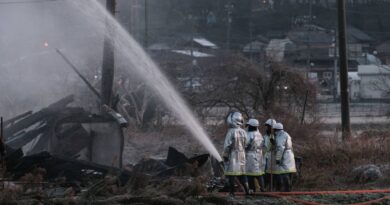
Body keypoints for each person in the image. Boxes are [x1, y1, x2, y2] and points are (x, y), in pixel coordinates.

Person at [222, 112, 250, 196]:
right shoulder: (243, 131)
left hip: (233, 154)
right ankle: (247, 191)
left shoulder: (231, 131)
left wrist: (225, 155)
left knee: (232, 173)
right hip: (242, 154)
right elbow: (247, 144)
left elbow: (227, 145)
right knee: (242, 173)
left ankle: (232, 193)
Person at [272, 122, 296, 192]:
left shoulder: (281, 136)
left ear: (276, 129)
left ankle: (287, 190)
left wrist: (278, 158)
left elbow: (280, 148)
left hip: (284, 155)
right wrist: (274, 143)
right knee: (288, 173)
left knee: (284, 173)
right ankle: (288, 189)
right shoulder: (286, 134)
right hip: (289, 154)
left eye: (274, 130)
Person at [245, 118, 265, 193]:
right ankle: (263, 189)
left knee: (250, 174)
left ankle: (252, 190)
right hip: (259, 155)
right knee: (259, 173)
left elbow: (245, 145)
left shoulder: (249, 135)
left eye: (248, 125)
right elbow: (263, 144)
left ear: (251, 126)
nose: (247, 127)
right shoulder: (259, 134)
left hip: (251, 156)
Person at [262, 118, 276, 191]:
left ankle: (273, 188)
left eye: (269, 126)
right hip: (265, 157)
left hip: (273, 157)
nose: (267, 128)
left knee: (273, 174)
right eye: (267, 126)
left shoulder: (276, 136)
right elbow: (263, 146)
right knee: (265, 174)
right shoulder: (265, 136)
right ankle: (265, 188)